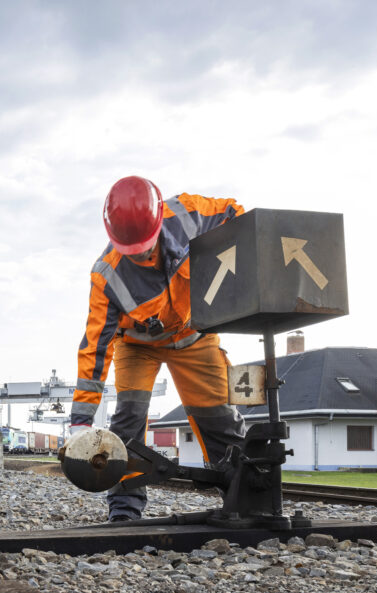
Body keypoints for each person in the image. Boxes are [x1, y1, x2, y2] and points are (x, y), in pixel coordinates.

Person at [69, 175, 247, 522]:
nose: (142, 256)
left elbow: (238, 218)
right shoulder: (107, 277)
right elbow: (95, 346)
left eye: (146, 248)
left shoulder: (191, 215)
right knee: (129, 421)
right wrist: (80, 420)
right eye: (131, 253)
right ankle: (124, 511)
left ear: (159, 216)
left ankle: (244, 497)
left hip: (194, 336)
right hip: (138, 346)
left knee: (218, 417)